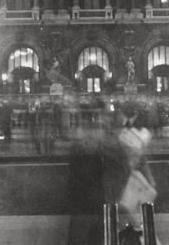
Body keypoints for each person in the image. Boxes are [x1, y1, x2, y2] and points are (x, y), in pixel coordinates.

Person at [65, 100, 156, 244]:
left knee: (89, 235)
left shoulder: (96, 142)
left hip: (95, 204)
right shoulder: (110, 142)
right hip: (101, 203)